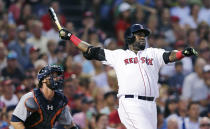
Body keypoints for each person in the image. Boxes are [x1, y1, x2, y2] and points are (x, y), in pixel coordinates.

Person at [58, 23, 198, 129]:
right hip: (131, 102)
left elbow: (169, 56)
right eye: (139, 34)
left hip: (150, 105)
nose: (143, 37)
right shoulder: (119, 55)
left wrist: (182, 54)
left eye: (144, 34)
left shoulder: (153, 53)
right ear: (130, 37)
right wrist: (71, 37)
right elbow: (91, 50)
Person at [10, 65, 78, 129]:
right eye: (53, 76)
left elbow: (69, 124)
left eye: (57, 76)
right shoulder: (30, 97)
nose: (57, 78)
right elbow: (15, 121)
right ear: (43, 79)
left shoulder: (60, 100)